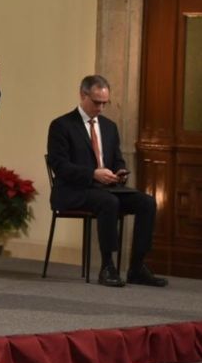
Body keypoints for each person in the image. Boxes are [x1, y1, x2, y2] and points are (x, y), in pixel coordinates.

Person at [47, 75, 167, 288]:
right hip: (73, 190)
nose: (101, 108)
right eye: (96, 102)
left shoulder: (109, 127)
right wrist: (93, 173)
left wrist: (120, 170)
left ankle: (137, 267)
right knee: (108, 203)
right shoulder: (61, 125)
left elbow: (117, 157)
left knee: (147, 203)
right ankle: (107, 266)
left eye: (105, 102)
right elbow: (60, 166)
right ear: (83, 95)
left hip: (107, 188)